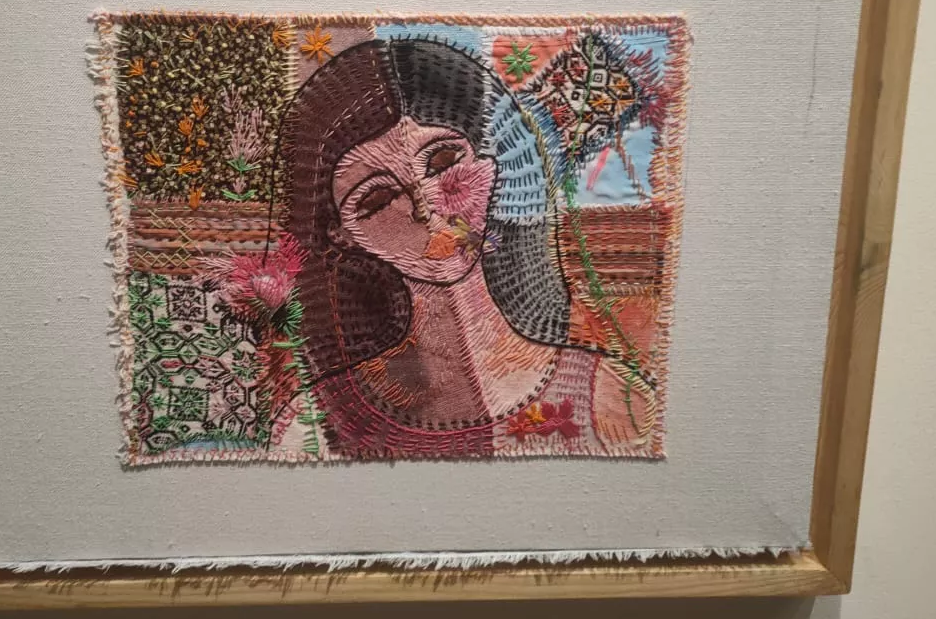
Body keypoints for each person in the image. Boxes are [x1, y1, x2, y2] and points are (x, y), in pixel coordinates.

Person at [280, 36, 655, 458]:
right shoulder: (318, 420)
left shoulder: (608, 395)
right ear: (340, 235)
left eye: (442, 162)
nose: (425, 209)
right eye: (377, 200)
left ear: (490, 164)